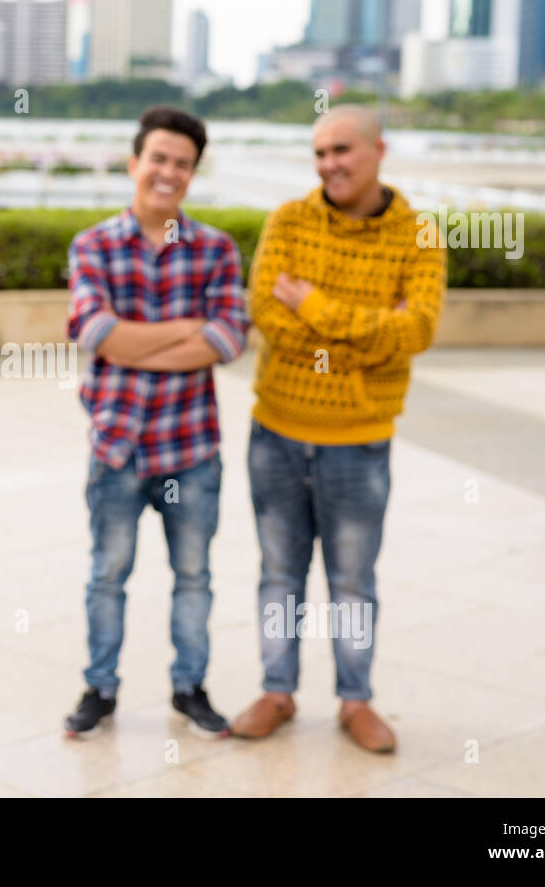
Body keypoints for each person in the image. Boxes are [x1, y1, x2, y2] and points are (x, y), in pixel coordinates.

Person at [231, 104, 445, 753]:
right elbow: (267, 310)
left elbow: (417, 330)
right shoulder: (290, 219)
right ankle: (277, 690)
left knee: (353, 580)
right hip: (276, 431)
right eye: (320, 153)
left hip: (360, 437)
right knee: (279, 574)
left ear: (380, 149)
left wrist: (317, 305)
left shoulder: (420, 235)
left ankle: (355, 701)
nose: (329, 164)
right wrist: (368, 337)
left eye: (342, 150)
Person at [63, 106, 250, 739]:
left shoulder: (217, 250)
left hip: (191, 450)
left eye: (182, 163)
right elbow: (97, 334)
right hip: (116, 445)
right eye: (158, 158)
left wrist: (134, 341)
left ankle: (189, 688)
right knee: (107, 574)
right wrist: (183, 332)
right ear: (134, 163)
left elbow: (227, 340)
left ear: (193, 174)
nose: (168, 172)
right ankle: (101, 688)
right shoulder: (93, 245)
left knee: (194, 576)